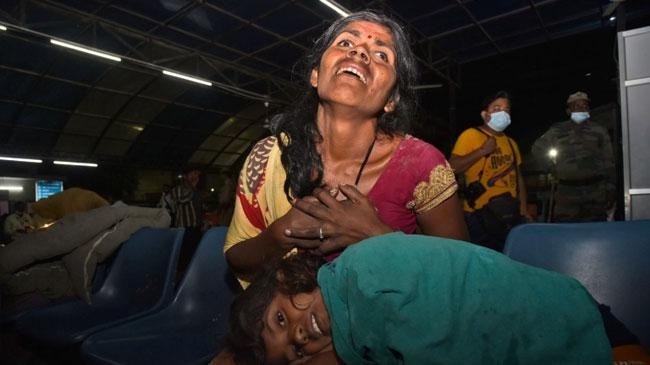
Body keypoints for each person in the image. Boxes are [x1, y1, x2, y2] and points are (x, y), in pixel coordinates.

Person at [224, 11, 468, 287]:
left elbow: (459, 275)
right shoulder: (267, 157)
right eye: (345, 43)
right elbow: (237, 259)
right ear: (315, 75)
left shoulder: (422, 165)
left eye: (381, 55)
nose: (360, 52)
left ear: (391, 100)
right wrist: (281, 234)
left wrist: (377, 238)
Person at [223, 233, 612, 364]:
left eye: (280, 319)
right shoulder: (355, 326)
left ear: (286, 279)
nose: (300, 335)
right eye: (295, 350)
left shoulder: (365, 274)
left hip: (572, 326)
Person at [450, 91, 528, 251]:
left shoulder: (511, 142)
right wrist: (482, 151)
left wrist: (524, 211)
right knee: (483, 263)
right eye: (497, 108)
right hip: (479, 215)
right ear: (485, 115)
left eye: (506, 110)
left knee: (510, 259)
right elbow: (452, 167)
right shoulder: (470, 135)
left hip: (510, 213)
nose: (503, 113)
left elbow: (519, 178)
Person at [531, 91, 616, 222]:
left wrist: (611, 188)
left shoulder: (599, 130)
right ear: (568, 111)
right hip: (567, 192)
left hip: (595, 191)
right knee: (566, 229)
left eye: (584, 106)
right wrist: (550, 168)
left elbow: (609, 160)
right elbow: (537, 148)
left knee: (596, 229)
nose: (581, 109)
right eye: (576, 106)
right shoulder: (557, 130)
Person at [169, 168, 204, 273]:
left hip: (195, 227)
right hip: (184, 228)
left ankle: (192, 274)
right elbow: (182, 198)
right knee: (184, 255)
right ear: (185, 176)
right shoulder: (177, 189)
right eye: (192, 174)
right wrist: (193, 186)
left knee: (193, 252)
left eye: (196, 174)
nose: (195, 177)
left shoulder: (195, 190)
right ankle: (181, 276)